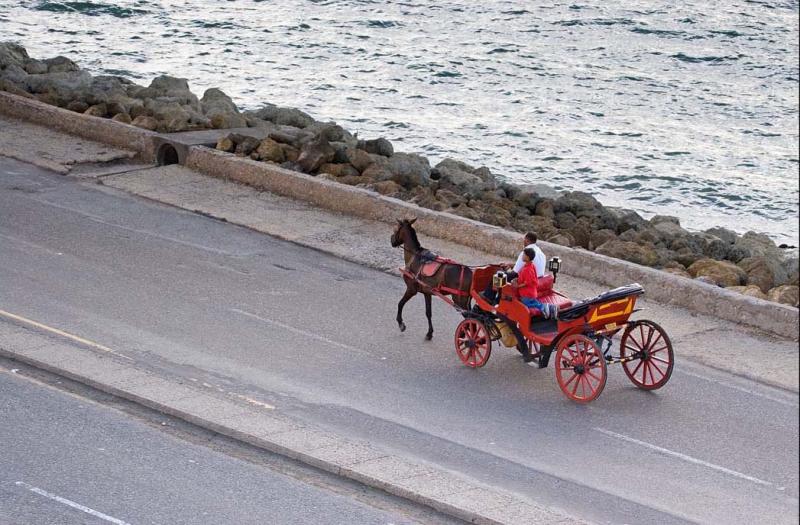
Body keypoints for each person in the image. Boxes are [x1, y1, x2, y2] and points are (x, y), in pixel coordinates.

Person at [515, 247, 558, 319]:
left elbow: (527, 282)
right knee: (535, 303)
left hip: (526, 294)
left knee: (526, 305)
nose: (522, 256)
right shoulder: (532, 266)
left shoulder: (526, 269)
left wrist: (517, 286)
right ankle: (551, 308)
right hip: (532, 292)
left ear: (528, 257)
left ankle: (545, 308)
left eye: (524, 255)